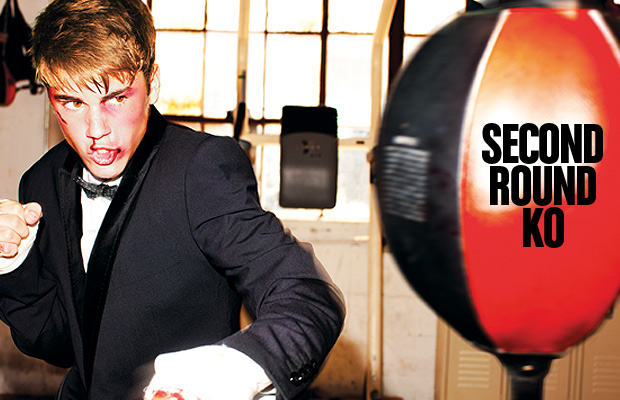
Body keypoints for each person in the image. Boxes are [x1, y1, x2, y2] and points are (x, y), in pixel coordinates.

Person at [0, 0, 345, 398]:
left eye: (116, 98)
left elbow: (307, 295)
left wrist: (239, 368)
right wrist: (14, 266)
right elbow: (60, 343)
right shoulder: (41, 182)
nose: (95, 130)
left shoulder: (199, 168)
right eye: (72, 102)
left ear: (153, 84)